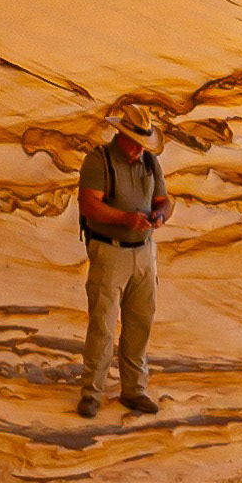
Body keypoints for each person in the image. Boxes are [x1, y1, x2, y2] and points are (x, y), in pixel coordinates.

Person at [77, 97, 169, 419]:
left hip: (144, 254)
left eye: (144, 144)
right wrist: (125, 220)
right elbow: (90, 206)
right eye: (136, 143)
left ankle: (134, 390)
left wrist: (158, 216)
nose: (140, 150)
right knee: (102, 325)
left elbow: (165, 201)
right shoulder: (98, 160)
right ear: (123, 137)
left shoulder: (149, 163)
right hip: (109, 252)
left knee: (139, 323)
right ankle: (92, 392)